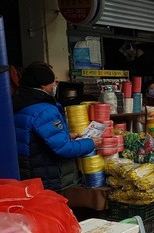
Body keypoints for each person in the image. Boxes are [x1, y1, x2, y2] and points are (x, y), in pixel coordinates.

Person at [13, 62, 101, 192]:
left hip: (27, 173)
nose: (55, 85)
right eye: (54, 82)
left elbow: (35, 137)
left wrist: (66, 136)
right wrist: (90, 143)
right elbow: (63, 148)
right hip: (44, 176)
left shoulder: (19, 104)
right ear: (43, 85)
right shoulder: (44, 110)